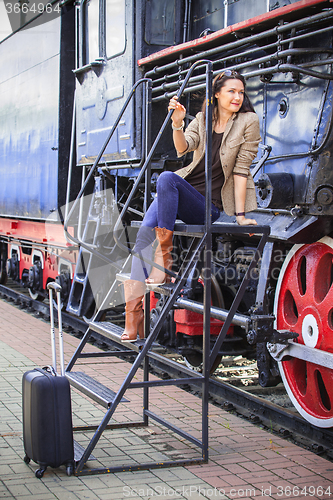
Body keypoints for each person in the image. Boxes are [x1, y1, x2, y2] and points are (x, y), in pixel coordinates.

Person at [121, 70, 261, 342]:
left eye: (241, 92)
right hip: (184, 192)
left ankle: (163, 258)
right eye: (231, 91)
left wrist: (241, 216)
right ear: (217, 94)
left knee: (166, 180)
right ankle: (133, 315)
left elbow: (242, 169)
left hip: (210, 205)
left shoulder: (248, 121)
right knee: (143, 236)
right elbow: (183, 148)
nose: (237, 97)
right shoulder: (202, 118)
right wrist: (176, 123)